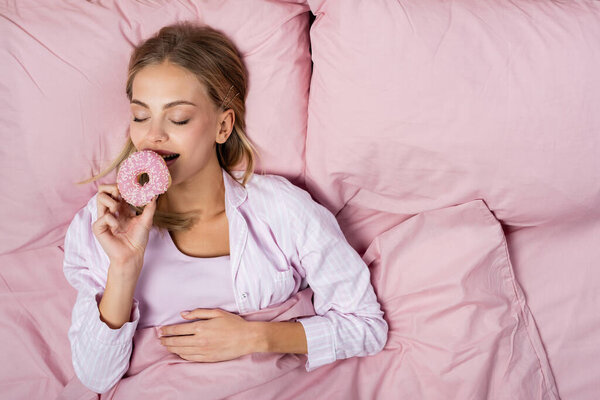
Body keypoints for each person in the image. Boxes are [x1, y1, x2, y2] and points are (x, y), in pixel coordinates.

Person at [63, 21, 388, 394]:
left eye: (179, 118)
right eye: (140, 116)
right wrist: (123, 268)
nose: (153, 135)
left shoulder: (283, 210)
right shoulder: (101, 223)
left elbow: (365, 325)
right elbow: (95, 376)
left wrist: (256, 338)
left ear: (223, 126)